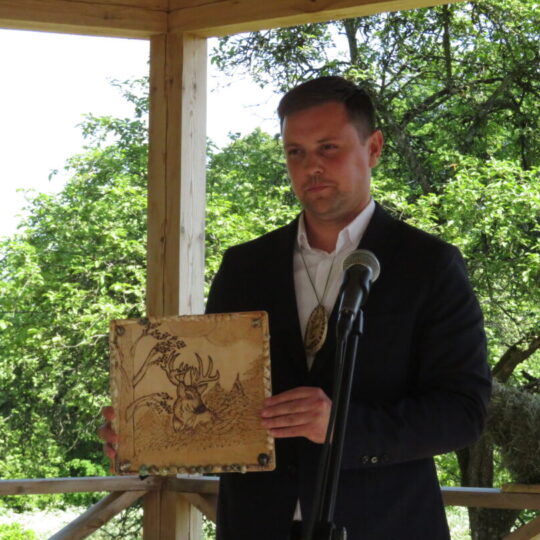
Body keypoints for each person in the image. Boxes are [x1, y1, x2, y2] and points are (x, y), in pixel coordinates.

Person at [101, 76, 491, 539]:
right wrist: (150, 431)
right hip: (254, 527)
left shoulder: (429, 264)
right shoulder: (245, 266)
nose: (312, 167)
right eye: (295, 152)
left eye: (328, 148)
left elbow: (463, 412)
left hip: (386, 526)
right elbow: (219, 402)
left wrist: (344, 426)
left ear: (373, 148)